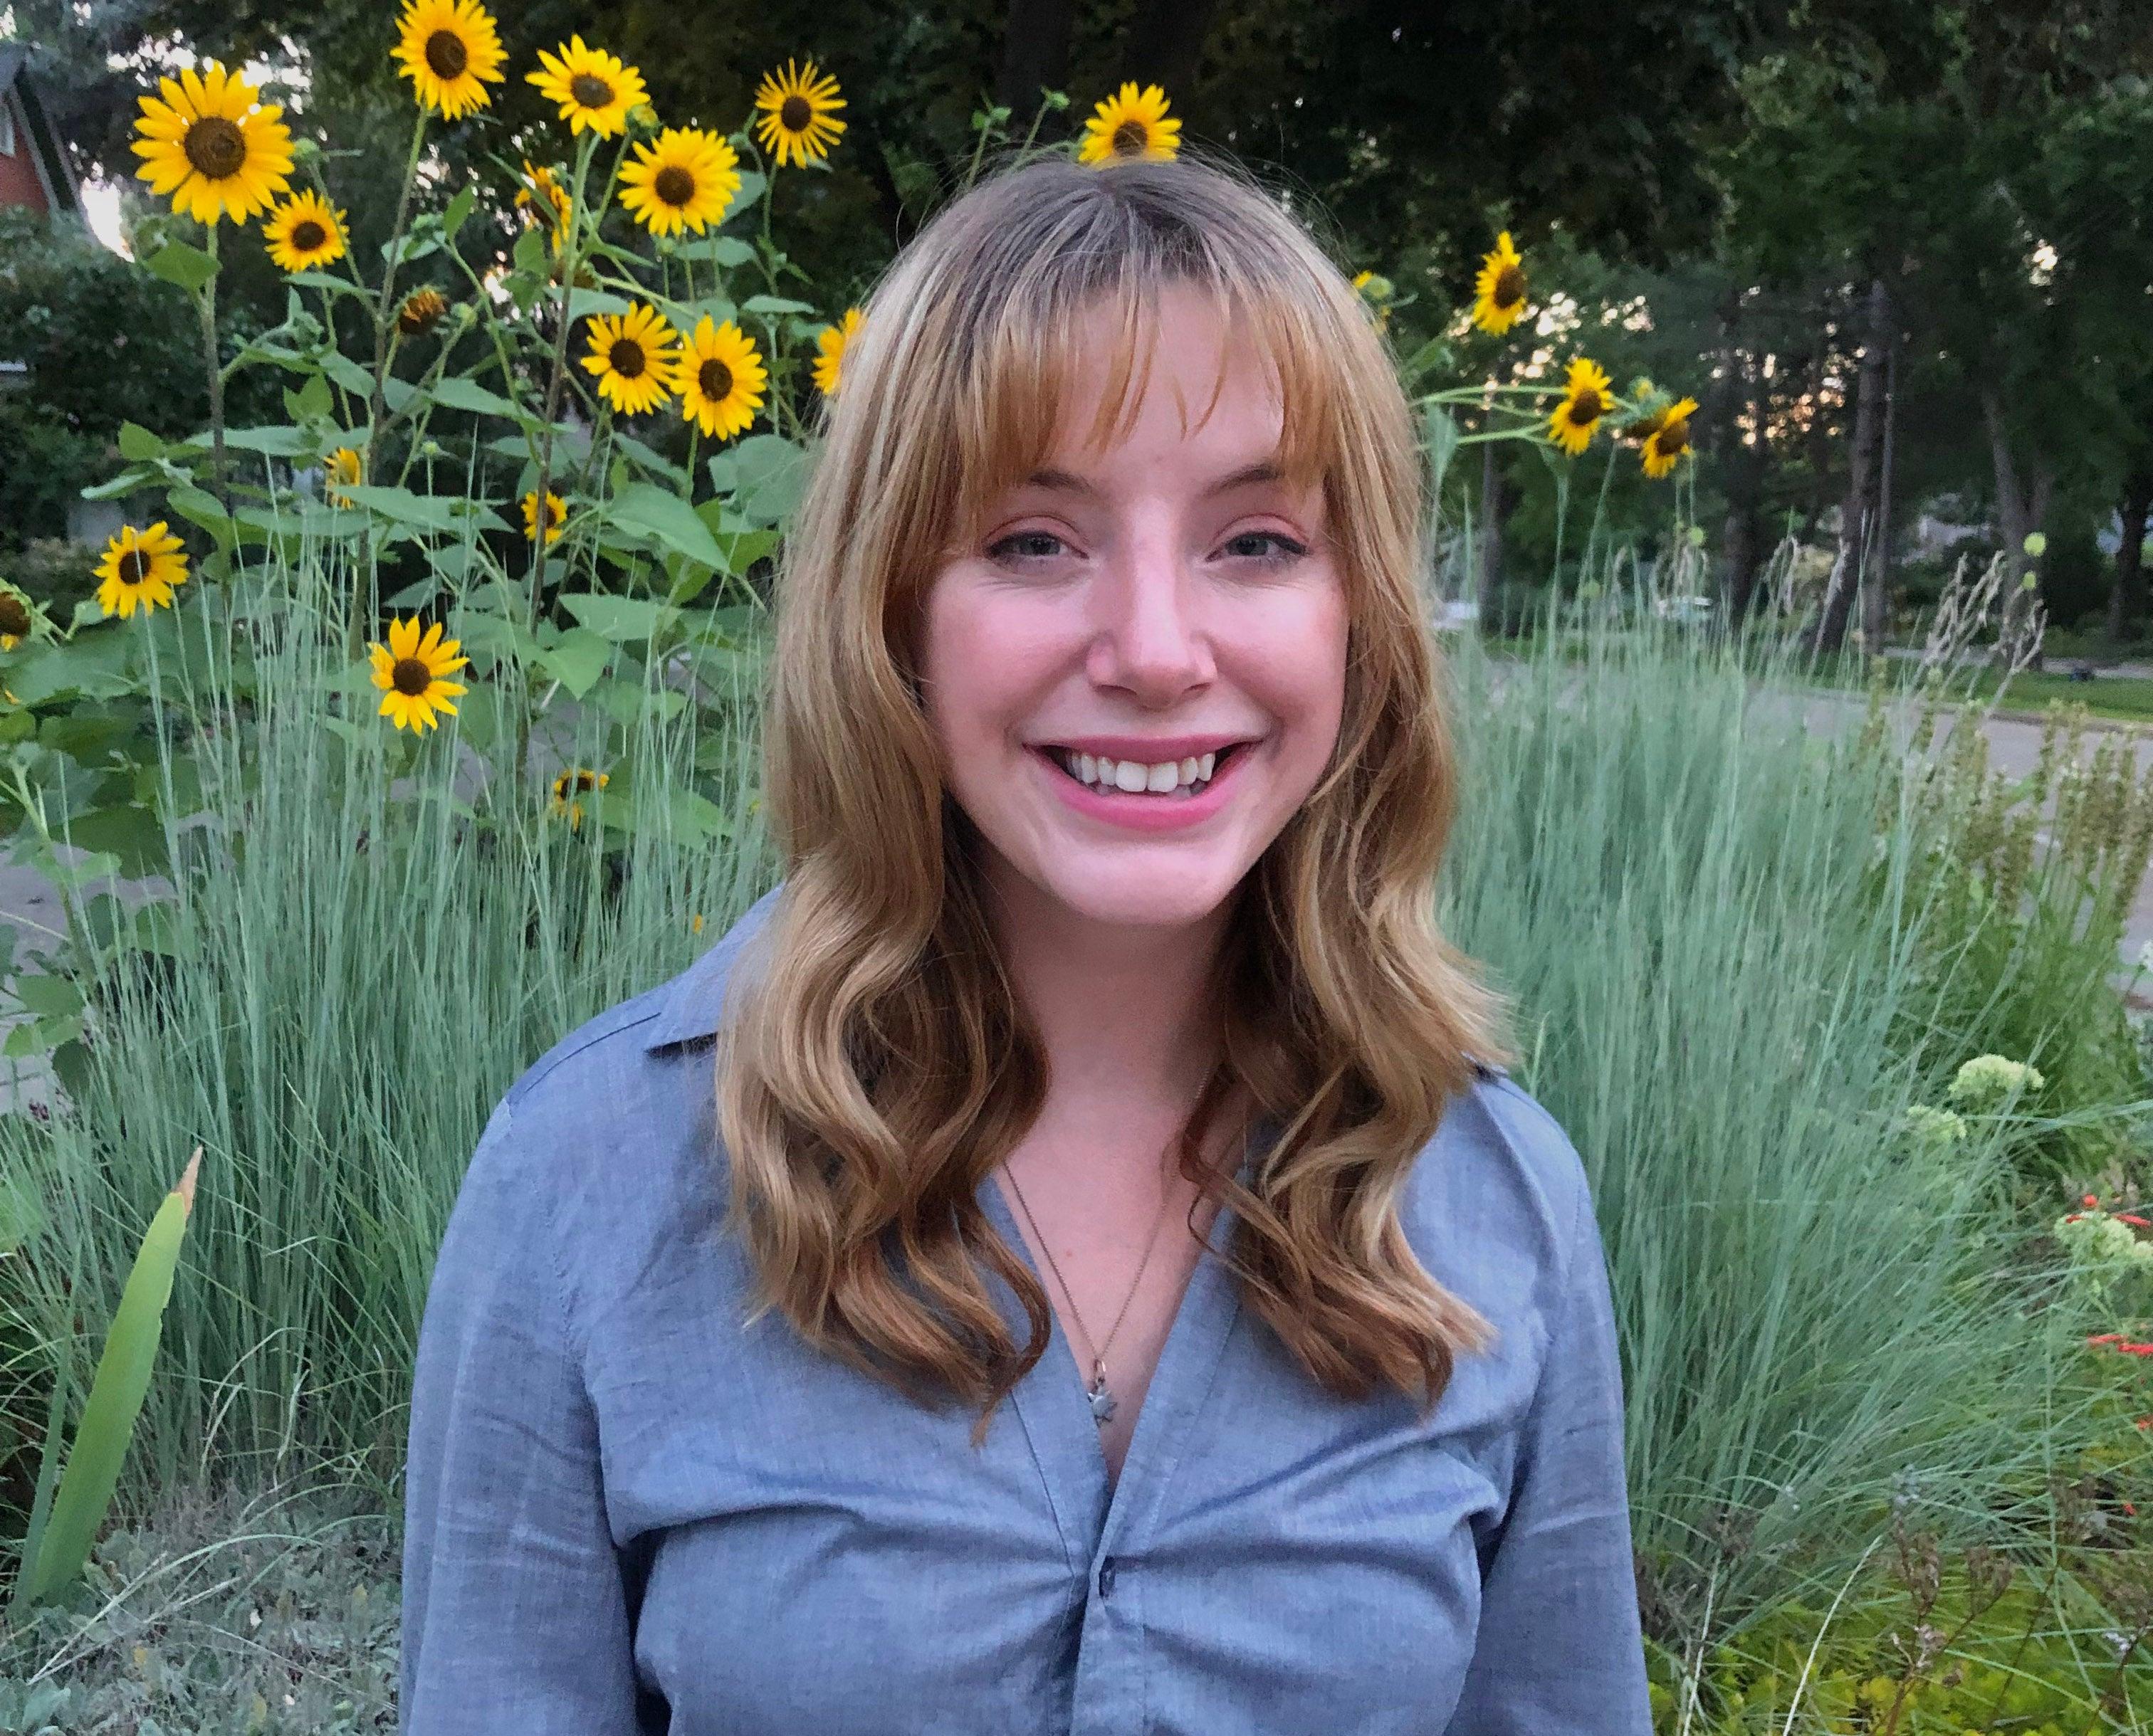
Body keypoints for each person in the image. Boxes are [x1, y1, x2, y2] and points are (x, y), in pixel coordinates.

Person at [400, 151, 1652, 1735]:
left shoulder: (1493, 1199)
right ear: (892, 614)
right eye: (1034, 541)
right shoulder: (592, 1176)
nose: (1151, 649)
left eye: (1255, 540)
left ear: (1362, 616)